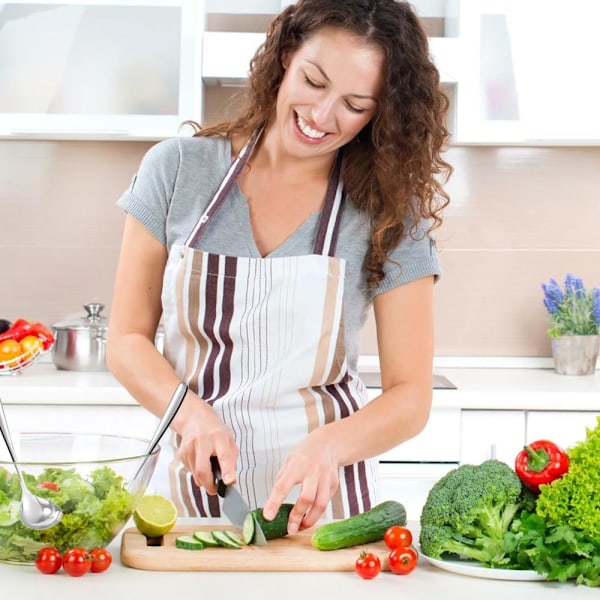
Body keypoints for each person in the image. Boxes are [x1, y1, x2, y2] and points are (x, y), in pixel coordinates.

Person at [106, 0, 452, 534]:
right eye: (314, 81)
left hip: (326, 515)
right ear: (286, 57)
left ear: (380, 114)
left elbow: (411, 395)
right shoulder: (176, 169)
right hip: (189, 498)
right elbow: (127, 338)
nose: (321, 116)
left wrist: (330, 446)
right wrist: (188, 414)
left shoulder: (387, 210)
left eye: (355, 105)